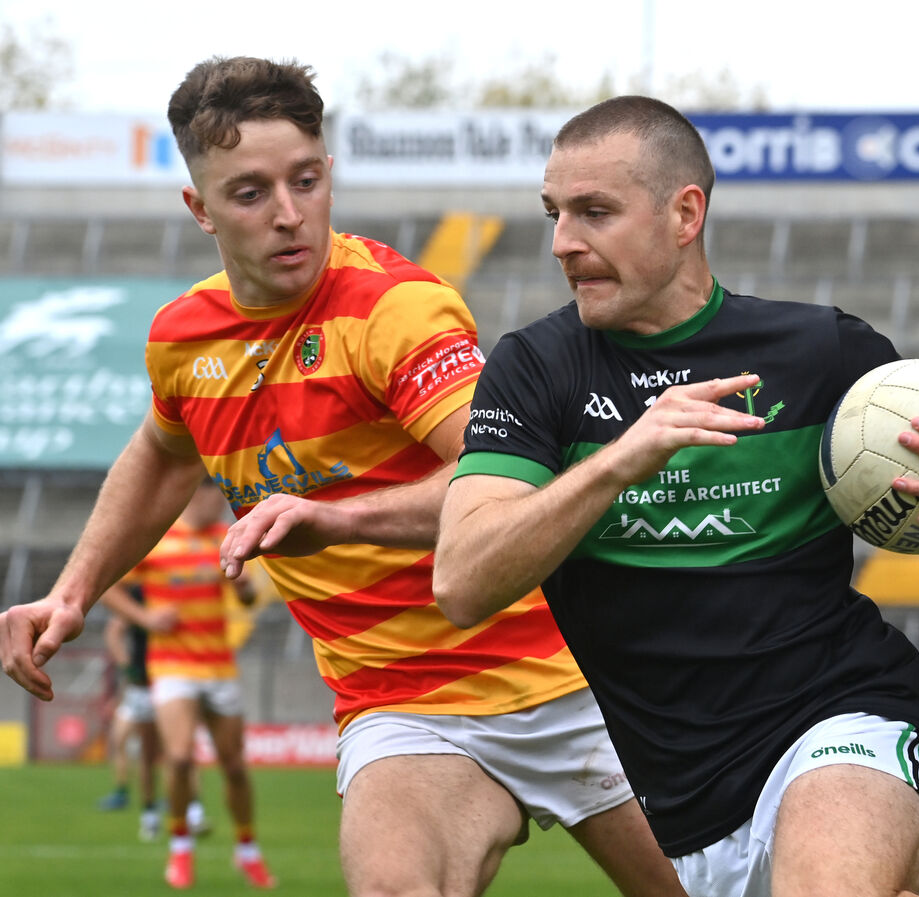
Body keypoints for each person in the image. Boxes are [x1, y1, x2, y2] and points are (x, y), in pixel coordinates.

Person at [0, 57, 684, 897]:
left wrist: (338, 518)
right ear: (200, 209)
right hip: (401, 706)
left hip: (573, 675)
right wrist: (74, 591)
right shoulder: (183, 339)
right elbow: (161, 450)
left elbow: (499, 484)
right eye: (250, 193)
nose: (290, 216)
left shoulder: (395, 310)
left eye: (308, 180)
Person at [433, 96, 919, 897]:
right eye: (555, 213)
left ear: (685, 213)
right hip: (689, 807)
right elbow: (461, 580)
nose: (564, 242)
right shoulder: (536, 369)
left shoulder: (826, 353)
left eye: (595, 212)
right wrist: (622, 458)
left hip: (842, 720)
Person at [98, 479, 268, 887]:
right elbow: (108, 588)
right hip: (171, 666)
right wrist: (145, 620)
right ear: (196, 495)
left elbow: (246, 600)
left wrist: (244, 592)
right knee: (177, 758)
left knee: (235, 767)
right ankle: (180, 848)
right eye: (214, 495)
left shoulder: (225, 540)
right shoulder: (158, 540)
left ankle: (247, 850)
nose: (220, 505)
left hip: (219, 667)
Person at [96, 597, 163, 842]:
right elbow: (113, 632)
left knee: (167, 752)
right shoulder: (135, 603)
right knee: (121, 739)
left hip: (164, 683)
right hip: (138, 688)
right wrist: (126, 670)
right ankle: (123, 792)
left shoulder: (162, 603)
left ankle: (187, 806)